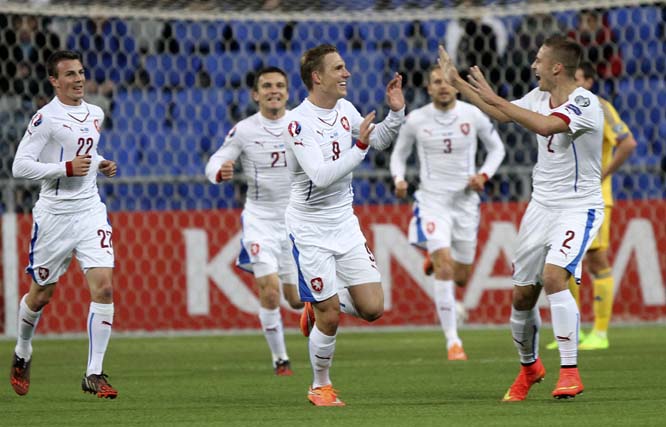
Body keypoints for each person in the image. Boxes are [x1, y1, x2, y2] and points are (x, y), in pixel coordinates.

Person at [438, 35, 604, 401]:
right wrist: (459, 83)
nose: (533, 65)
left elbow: (547, 127)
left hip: (579, 207)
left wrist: (493, 96)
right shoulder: (538, 97)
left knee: (553, 276)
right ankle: (529, 368)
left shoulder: (584, 102)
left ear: (556, 67)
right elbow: (501, 113)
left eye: (539, 60)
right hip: (540, 207)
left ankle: (570, 371)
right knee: (522, 297)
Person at [284, 44, 404, 406]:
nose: (347, 74)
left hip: (344, 222)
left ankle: (318, 304)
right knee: (331, 316)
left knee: (372, 308)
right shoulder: (297, 122)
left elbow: (377, 140)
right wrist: (361, 146)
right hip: (309, 228)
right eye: (338, 68)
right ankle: (320, 385)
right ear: (317, 77)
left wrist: (395, 114)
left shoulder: (344, 109)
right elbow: (320, 176)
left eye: (345, 67)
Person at [10, 50, 119, 399]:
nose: (78, 79)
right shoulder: (45, 119)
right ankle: (23, 350)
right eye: (69, 74)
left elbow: (86, 151)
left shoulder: (95, 112)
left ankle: (94, 373)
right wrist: (64, 169)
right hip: (55, 216)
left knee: (103, 288)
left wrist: (99, 163)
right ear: (54, 81)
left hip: (89, 210)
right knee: (41, 295)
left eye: (81, 72)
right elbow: (20, 167)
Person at [390, 65, 505, 361]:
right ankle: (453, 342)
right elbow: (398, 156)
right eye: (436, 82)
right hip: (432, 202)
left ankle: (437, 257)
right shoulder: (416, 120)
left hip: (465, 202)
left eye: (447, 81)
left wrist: (483, 175)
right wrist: (398, 179)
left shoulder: (472, 115)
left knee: (461, 277)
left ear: (456, 86)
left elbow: (497, 150)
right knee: (444, 267)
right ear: (428, 88)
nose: (442, 86)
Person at [204, 66, 304, 376]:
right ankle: (281, 359)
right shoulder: (245, 130)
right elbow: (215, 160)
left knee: (297, 300)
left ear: (287, 92)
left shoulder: (301, 125)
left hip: (296, 222)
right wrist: (219, 173)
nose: (273, 91)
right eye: (267, 86)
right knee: (269, 290)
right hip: (260, 219)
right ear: (255, 94)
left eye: (279, 86)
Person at [546, 61, 636, 351]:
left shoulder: (599, 107)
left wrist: (603, 175)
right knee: (564, 264)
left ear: (589, 81)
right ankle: (574, 331)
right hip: (566, 198)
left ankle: (600, 331)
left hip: (593, 199)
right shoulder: (561, 108)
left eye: (579, 79)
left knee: (597, 262)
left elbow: (627, 142)